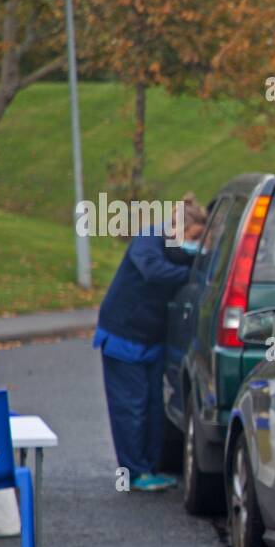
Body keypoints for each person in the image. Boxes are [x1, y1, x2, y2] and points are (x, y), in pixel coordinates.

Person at [94, 193, 207, 492]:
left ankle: (149, 467)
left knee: (153, 406)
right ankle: (134, 471)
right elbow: (153, 270)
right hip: (123, 335)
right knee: (130, 406)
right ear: (178, 229)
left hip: (150, 337)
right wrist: (190, 274)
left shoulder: (179, 249)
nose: (195, 245)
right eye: (193, 237)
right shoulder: (150, 240)